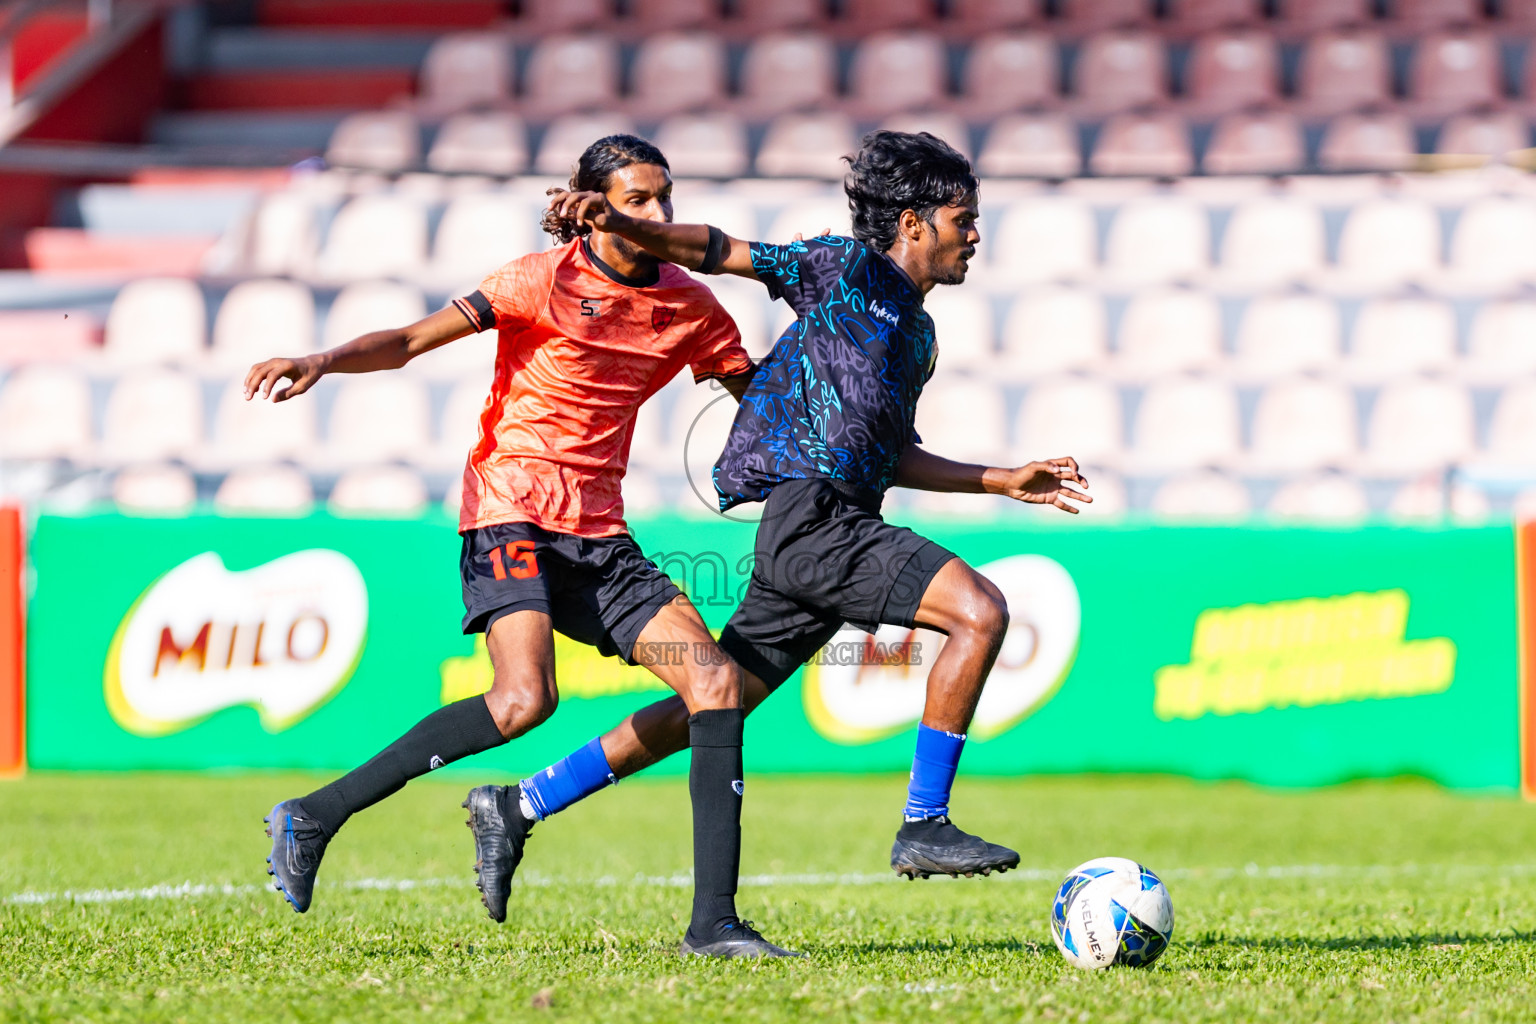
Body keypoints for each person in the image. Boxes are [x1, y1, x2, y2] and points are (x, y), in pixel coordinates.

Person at [464, 130, 1092, 925]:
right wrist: (629, 228)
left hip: (834, 525)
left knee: (713, 700)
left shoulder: (919, 335)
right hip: (815, 523)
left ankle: (520, 805)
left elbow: (889, 452)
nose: (975, 234)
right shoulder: (840, 269)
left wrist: (999, 479)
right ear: (911, 222)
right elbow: (716, 248)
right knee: (981, 610)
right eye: (963, 217)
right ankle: (925, 821)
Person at [246, 134, 799, 959]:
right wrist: (322, 360)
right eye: (640, 199)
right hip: (509, 508)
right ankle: (316, 815)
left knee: (716, 684)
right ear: (595, 203)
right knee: (522, 701)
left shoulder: (691, 305)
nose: (660, 214)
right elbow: (406, 342)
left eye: (665, 197)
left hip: (601, 534)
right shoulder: (538, 280)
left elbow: (758, 402)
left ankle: (712, 926)